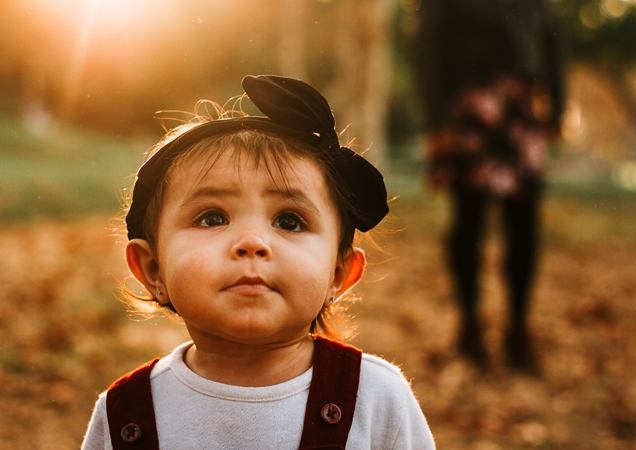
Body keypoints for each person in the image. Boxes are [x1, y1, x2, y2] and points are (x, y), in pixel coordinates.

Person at [81, 75, 436, 449]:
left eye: (289, 221)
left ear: (338, 274)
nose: (252, 242)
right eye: (213, 217)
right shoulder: (125, 415)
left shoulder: (376, 401)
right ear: (153, 269)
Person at [415, 0, 564, 371]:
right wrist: (437, 120)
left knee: (525, 226)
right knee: (467, 224)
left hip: (521, 109)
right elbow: (426, 45)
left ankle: (517, 328)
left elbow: (551, 35)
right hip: (468, 107)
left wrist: (558, 105)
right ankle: (469, 328)